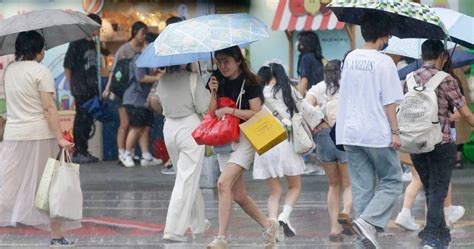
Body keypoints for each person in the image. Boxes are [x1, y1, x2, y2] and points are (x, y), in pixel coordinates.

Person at [0, 31, 80, 247]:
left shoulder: (9, 71)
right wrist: (61, 137)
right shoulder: (41, 71)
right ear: (37, 50)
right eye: (43, 48)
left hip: (14, 134)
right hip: (40, 134)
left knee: (6, 186)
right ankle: (56, 236)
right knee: (51, 186)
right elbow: (48, 108)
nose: (44, 53)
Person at [335, 12, 404, 248]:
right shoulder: (384, 61)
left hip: (351, 132)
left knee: (362, 189)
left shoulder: (350, 57)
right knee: (393, 180)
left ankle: (362, 242)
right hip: (376, 132)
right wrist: (395, 132)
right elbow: (390, 101)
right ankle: (369, 221)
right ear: (384, 37)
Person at [206, 46, 278, 249]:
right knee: (237, 195)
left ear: (238, 60)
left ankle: (221, 238)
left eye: (226, 61)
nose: (222, 66)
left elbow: (256, 113)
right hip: (224, 139)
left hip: (245, 138)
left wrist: (230, 109)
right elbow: (211, 114)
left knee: (222, 184)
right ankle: (268, 226)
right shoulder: (215, 78)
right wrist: (213, 92)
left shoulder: (251, 81)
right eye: (218, 61)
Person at [405, 40, 474, 248]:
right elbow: (465, 113)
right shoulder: (446, 79)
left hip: (416, 143)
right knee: (438, 192)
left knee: (430, 190)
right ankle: (432, 238)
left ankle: (442, 238)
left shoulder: (410, 78)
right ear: (442, 56)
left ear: (423, 55)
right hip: (440, 143)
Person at [156, 29, 211, 241]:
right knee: (185, 178)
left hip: (169, 128)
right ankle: (173, 229)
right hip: (190, 129)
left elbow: (160, 102)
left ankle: (198, 225)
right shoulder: (193, 78)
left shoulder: (162, 80)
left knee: (189, 176)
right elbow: (202, 106)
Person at [252, 63, 305, 238]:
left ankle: (273, 225)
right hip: (285, 143)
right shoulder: (289, 90)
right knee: (294, 186)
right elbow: (305, 108)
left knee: (274, 191)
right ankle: (284, 216)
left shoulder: (258, 92)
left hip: (266, 143)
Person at [306, 60, 352, 241]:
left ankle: (334, 228)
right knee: (349, 183)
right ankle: (346, 210)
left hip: (324, 134)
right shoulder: (348, 85)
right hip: (344, 134)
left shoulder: (319, 87)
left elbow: (306, 104)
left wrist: (320, 115)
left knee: (333, 184)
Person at [102, 21, 148, 163]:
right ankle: (122, 152)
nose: (144, 36)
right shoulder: (124, 50)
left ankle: (132, 152)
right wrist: (108, 88)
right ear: (135, 32)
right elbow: (114, 70)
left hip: (135, 93)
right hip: (122, 91)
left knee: (135, 123)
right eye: (142, 33)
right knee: (125, 123)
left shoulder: (144, 49)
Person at [120, 32, 163, 167]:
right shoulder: (139, 58)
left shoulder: (149, 59)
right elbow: (140, 77)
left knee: (145, 128)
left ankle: (146, 156)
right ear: (146, 44)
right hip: (134, 99)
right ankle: (127, 154)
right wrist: (157, 78)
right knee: (136, 128)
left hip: (143, 100)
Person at [63, 13, 102, 164]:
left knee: (88, 121)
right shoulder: (76, 43)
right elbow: (68, 67)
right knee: (81, 120)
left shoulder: (92, 43)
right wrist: (73, 87)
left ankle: (84, 150)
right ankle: (78, 151)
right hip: (80, 89)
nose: (99, 30)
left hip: (91, 90)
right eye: (96, 27)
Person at [296, 31, 324, 96]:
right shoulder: (318, 58)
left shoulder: (306, 58)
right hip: (320, 94)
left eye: (300, 40)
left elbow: (304, 81)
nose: (298, 43)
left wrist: (297, 100)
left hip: (311, 94)